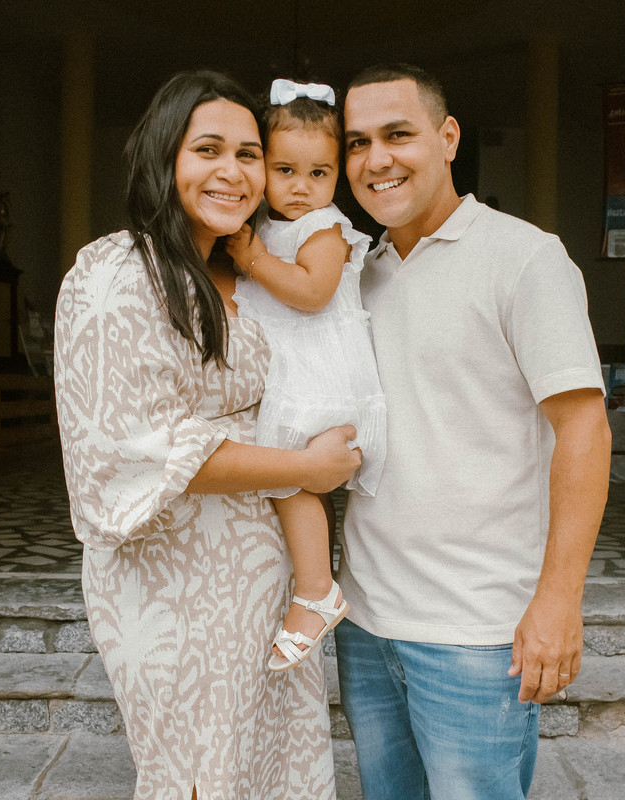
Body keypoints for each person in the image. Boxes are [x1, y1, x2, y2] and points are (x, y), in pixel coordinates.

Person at [54, 69, 361, 800]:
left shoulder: (249, 271)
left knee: (275, 771)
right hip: (170, 580)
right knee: (196, 777)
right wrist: (303, 468)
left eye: (249, 154)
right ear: (165, 157)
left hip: (265, 581)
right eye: (208, 150)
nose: (233, 171)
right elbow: (134, 446)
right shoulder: (117, 272)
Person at [335, 63, 612, 800]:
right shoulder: (355, 272)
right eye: (357, 142)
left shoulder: (523, 257)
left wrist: (559, 599)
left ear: (448, 137)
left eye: (398, 134)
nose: (376, 159)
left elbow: (584, 428)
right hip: (365, 621)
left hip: (478, 630)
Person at [224, 78, 386, 672]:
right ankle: (311, 583)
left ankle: (317, 590)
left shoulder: (323, 228)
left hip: (324, 373)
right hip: (299, 371)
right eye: (285, 170)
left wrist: (254, 260)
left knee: (291, 476)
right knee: (292, 481)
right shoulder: (270, 228)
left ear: (338, 175)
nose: (301, 186)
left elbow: (314, 293)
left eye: (319, 173)